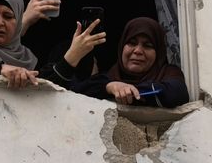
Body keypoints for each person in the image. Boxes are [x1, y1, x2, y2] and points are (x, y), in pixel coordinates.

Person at [54, 17, 189, 108]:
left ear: (158, 52)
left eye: (147, 45)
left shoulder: (169, 73)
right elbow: (76, 93)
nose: (138, 51)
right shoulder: (108, 77)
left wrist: (128, 91)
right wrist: (110, 87)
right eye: (131, 43)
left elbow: (176, 94)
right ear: (121, 47)